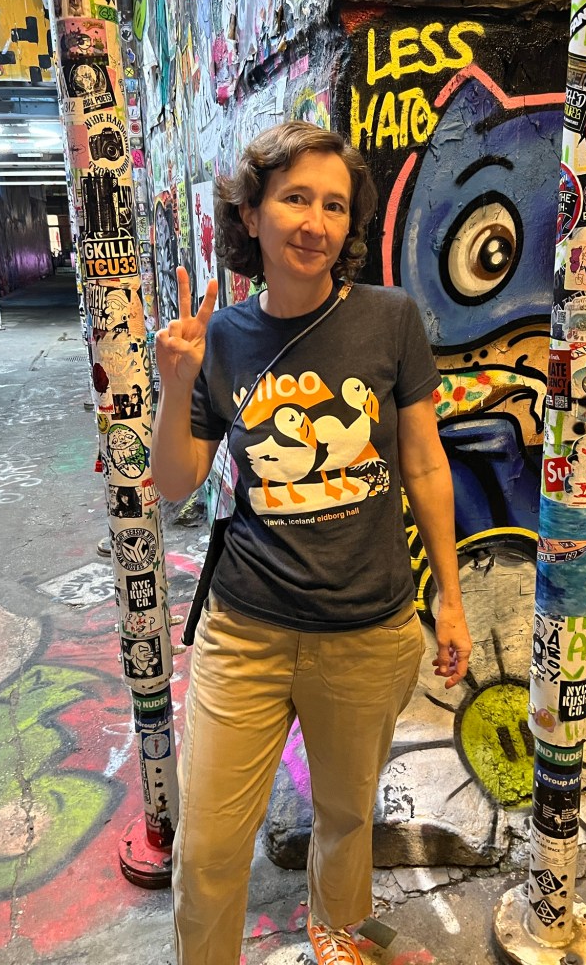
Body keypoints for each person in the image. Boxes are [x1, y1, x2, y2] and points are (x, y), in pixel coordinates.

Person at [152, 121, 472, 965]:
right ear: (251, 214)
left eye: (334, 206)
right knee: (208, 848)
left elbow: (424, 464)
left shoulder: (390, 320)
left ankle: (337, 936)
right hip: (246, 629)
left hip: (367, 630)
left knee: (346, 816)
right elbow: (178, 481)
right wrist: (177, 387)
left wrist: (449, 597)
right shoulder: (222, 338)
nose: (316, 222)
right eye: (295, 198)